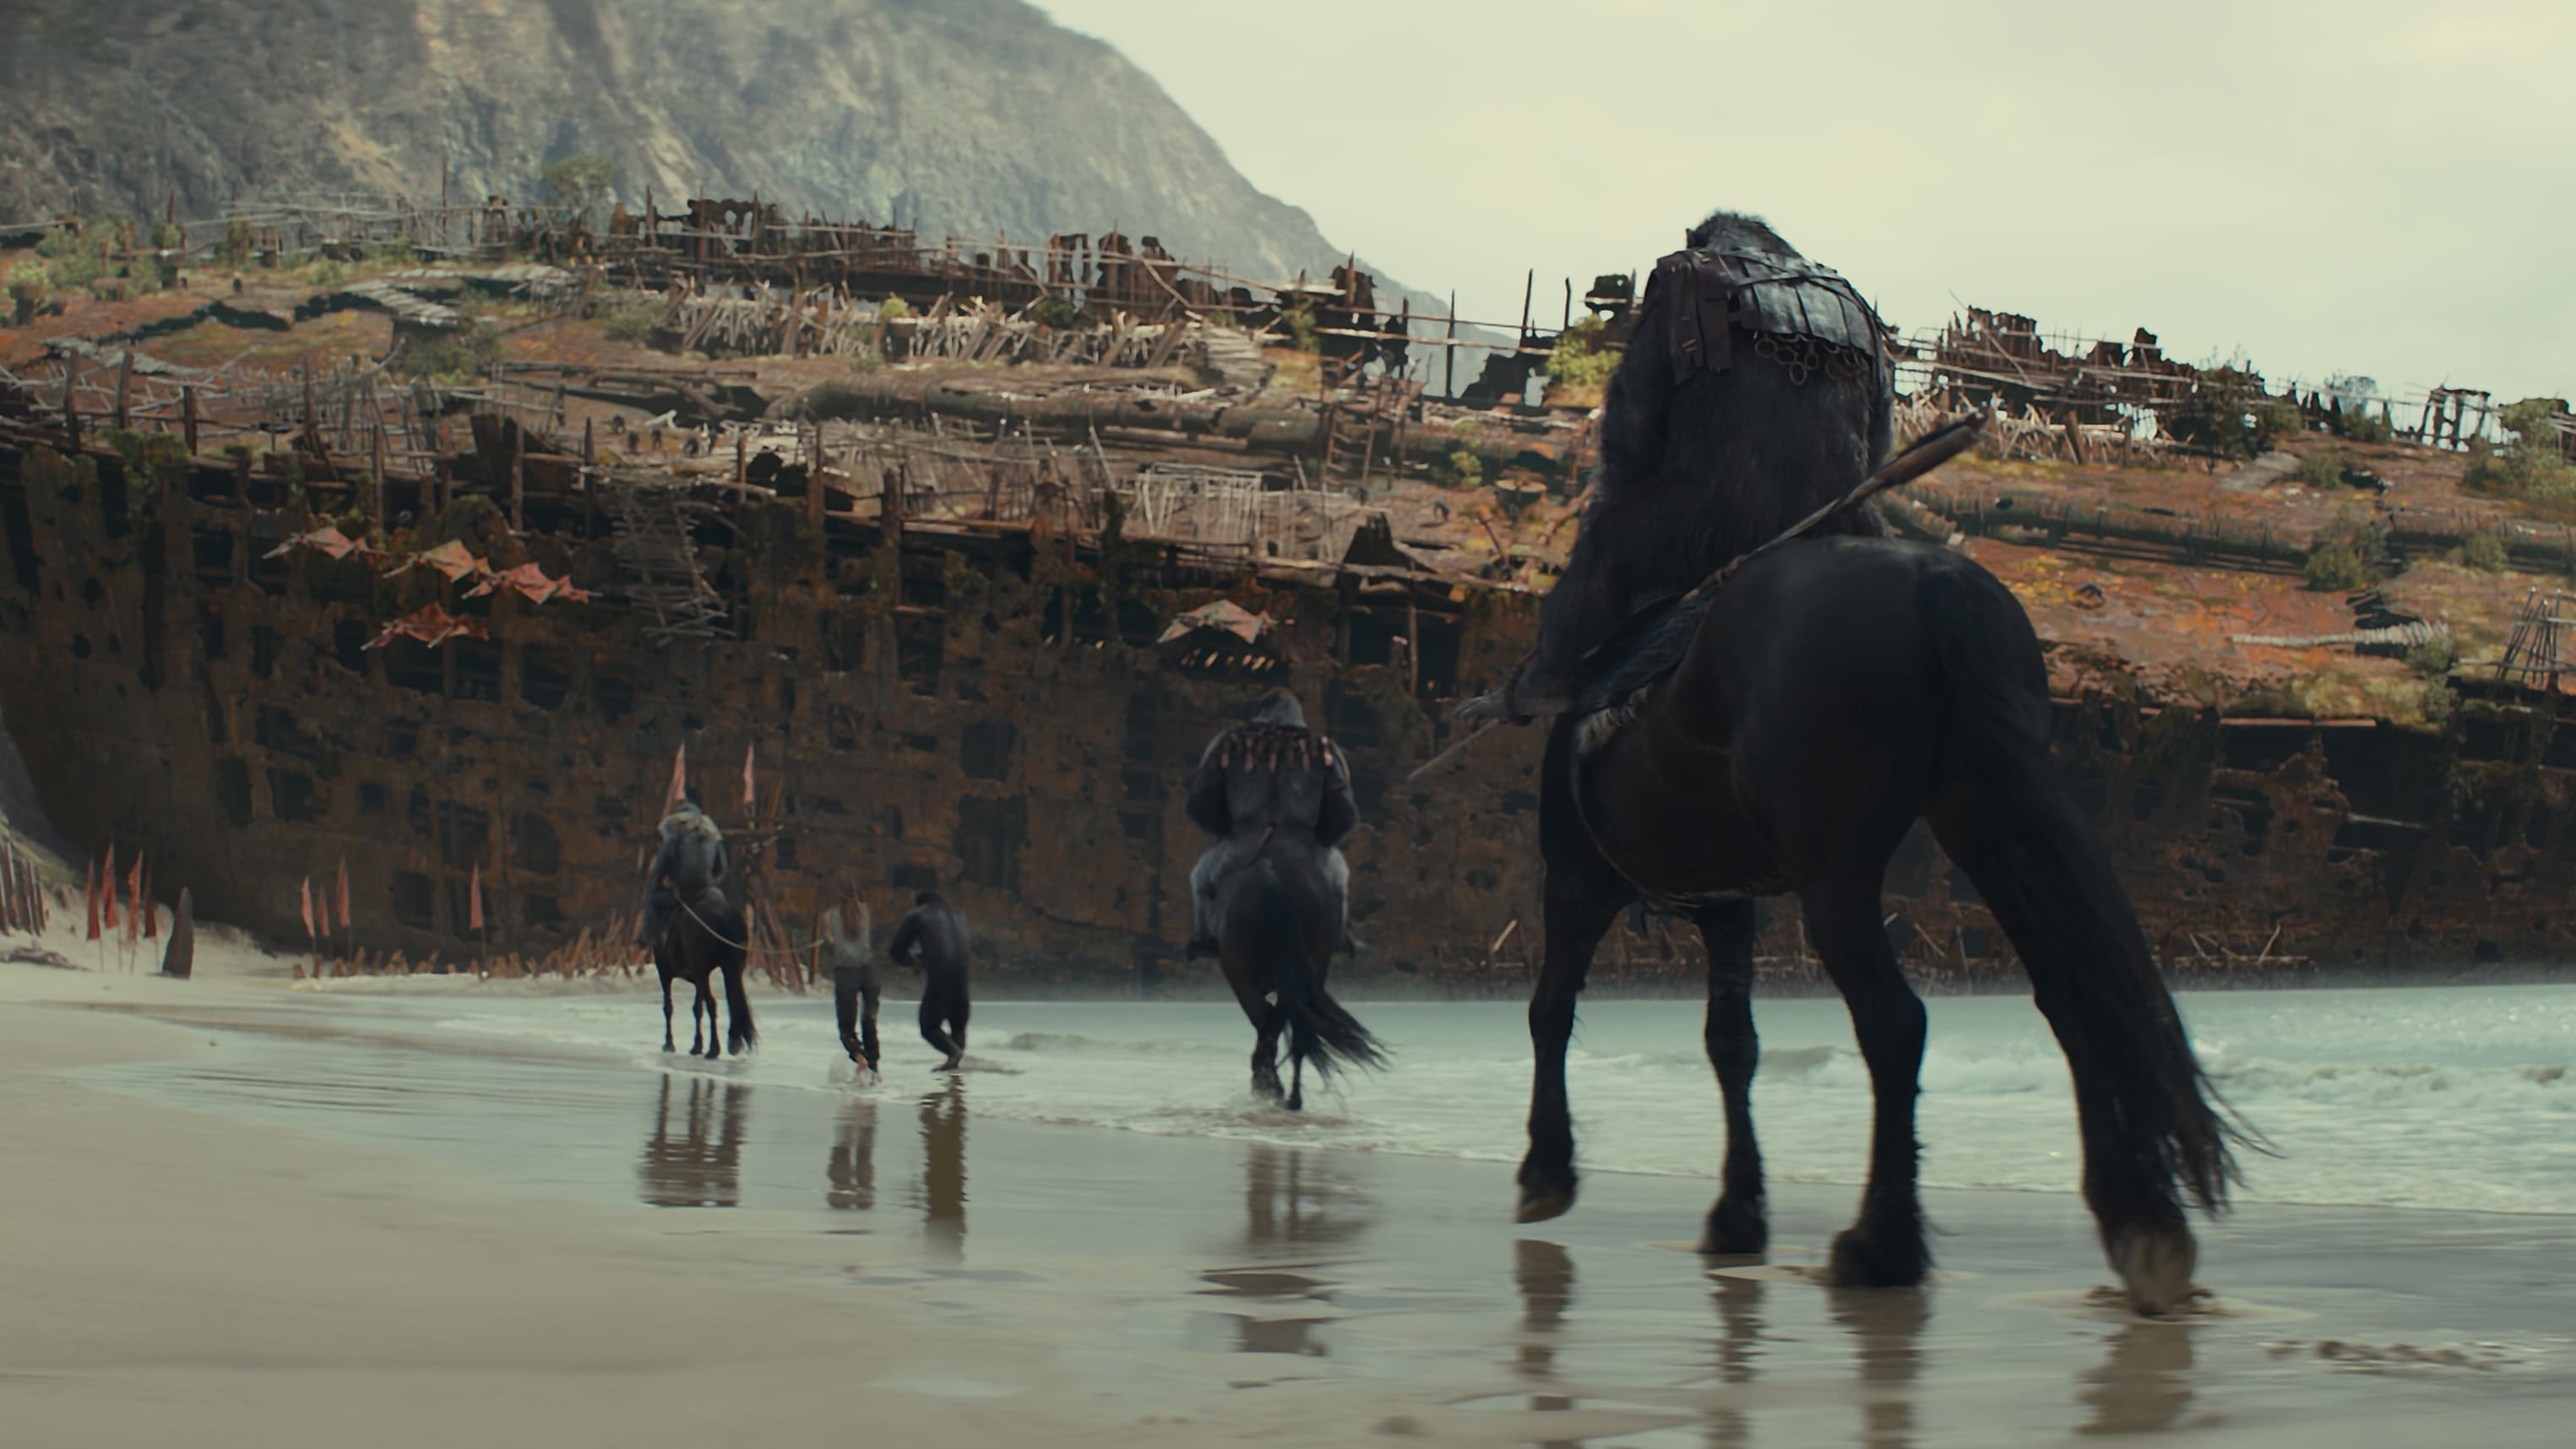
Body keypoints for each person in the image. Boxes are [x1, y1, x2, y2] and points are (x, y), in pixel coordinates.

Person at [1182, 690, 1361, 962]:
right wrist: (1320, 837)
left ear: (1261, 711)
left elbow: (1201, 804)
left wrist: (1227, 830)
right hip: (1305, 852)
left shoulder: (1230, 744)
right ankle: (1338, 939)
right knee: (1340, 878)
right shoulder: (1323, 749)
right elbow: (1343, 814)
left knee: (1200, 878)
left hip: (1241, 850)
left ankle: (1205, 938)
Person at [888, 890, 970, 1071]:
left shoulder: (917, 915)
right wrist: (924, 958)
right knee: (958, 1028)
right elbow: (949, 948)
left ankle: (953, 1053)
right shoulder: (958, 915)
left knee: (929, 1026)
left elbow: (895, 951)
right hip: (963, 978)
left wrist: (913, 962)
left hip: (941, 978)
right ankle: (955, 1068)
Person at [636, 799, 726, 951]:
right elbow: (722, 869)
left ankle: (649, 936)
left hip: (681, 895)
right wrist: (708, 884)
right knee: (720, 900)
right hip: (704, 893)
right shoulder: (712, 836)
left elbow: (659, 873)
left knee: (651, 899)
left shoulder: (674, 837)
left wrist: (663, 887)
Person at [823, 893, 879, 1074]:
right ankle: (873, 1069)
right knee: (869, 1022)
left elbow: (831, 943)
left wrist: (828, 935)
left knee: (847, 1028)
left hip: (846, 973)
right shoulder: (865, 911)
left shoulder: (832, 915)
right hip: (869, 972)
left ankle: (859, 1056)